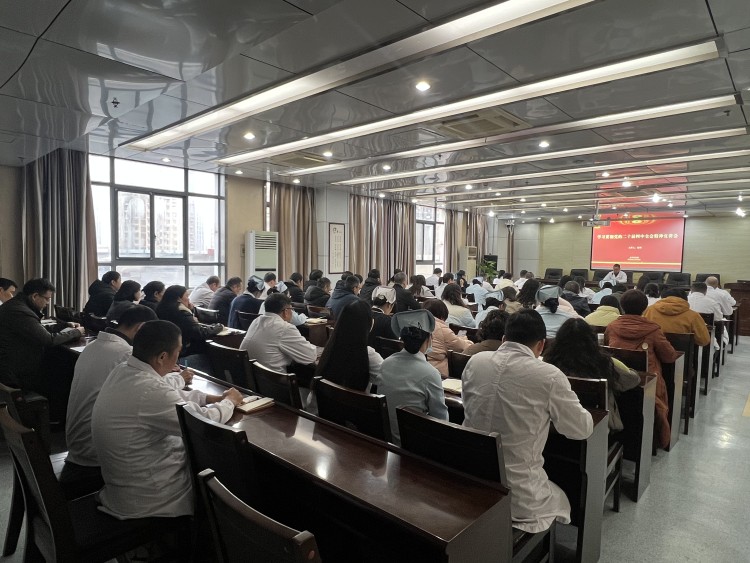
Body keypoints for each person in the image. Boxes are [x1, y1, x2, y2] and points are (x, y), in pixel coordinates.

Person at [91, 320, 243, 519]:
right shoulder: (150, 390)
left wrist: (207, 398)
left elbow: (166, 392)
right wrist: (230, 402)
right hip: (151, 498)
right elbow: (202, 421)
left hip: (125, 486)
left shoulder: (123, 370)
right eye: (178, 352)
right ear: (162, 357)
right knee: (225, 472)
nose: (178, 357)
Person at [462, 309, 593, 532]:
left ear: (504, 338)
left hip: (472, 474)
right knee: (562, 496)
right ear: (541, 345)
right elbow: (581, 430)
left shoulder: (476, 361)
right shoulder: (549, 375)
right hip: (517, 494)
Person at [61, 305, 162, 494]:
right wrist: (178, 377)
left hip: (76, 445)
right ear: (140, 328)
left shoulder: (92, 346)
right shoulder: (126, 353)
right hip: (96, 455)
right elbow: (155, 387)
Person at [605, 290, 679, 449]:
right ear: (645, 308)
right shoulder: (653, 329)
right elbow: (669, 356)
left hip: (617, 379)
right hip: (647, 381)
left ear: (622, 307)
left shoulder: (612, 326)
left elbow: (607, 350)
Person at [544, 318, 641, 431]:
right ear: (592, 340)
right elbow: (633, 380)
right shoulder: (604, 363)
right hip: (598, 427)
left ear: (558, 340)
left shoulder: (548, 362)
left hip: (555, 424)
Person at [378, 309, 448, 445]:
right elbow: (441, 420)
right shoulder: (431, 373)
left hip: (387, 440)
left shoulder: (386, 363)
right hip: (415, 445)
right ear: (429, 339)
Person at [239, 293, 317, 373]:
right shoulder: (284, 328)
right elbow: (310, 356)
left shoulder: (256, 321)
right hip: (271, 379)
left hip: (250, 376)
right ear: (286, 311)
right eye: (292, 309)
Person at [315, 300, 383, 391]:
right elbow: (389, 378)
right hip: (352, 399)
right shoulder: (367, 353)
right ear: (367, 324)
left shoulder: (331, 347)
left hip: (322, 399)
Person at [156, 285, 222, 368]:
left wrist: (191, 311)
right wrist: (218, 328)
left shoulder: (161, 307)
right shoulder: (181, 311)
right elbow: (199, 333)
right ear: (179, 298)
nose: (188, 299)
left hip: (166, 349)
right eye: (187, 296)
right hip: (182, 352)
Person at [642, 288, 710, 345]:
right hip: (683, 355)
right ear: (685, 300)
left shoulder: (649, 310)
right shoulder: (694, 316)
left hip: (653, 353)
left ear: (662, 298)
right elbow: (704, 341)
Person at [422, 298, 471, 377]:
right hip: (438, 373)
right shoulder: (441, 329)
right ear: (442, 316)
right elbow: (462, 347)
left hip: (420, 367)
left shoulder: (416, 324)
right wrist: (465, 339)